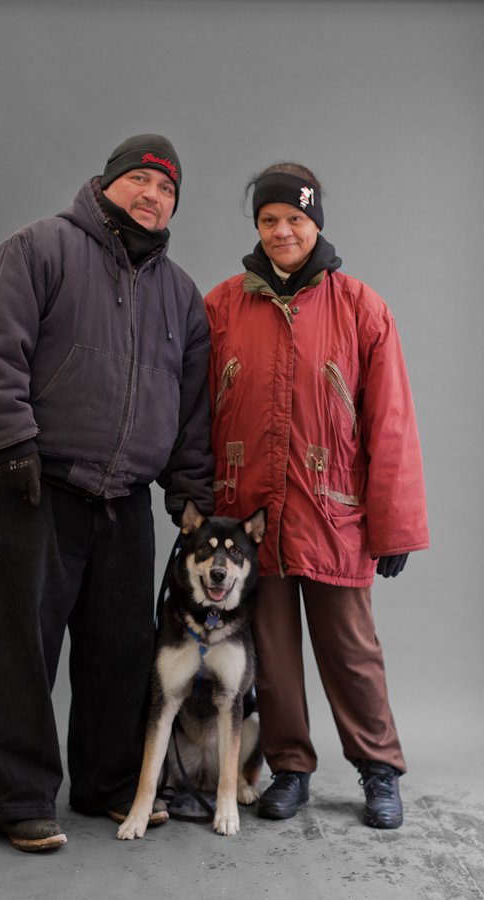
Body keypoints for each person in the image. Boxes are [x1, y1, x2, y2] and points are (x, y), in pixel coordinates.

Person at [0, 134, 214, 852]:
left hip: (127, 498)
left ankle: (108, 784)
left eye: (167, 190)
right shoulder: (39, 249)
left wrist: (190, 495)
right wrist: (10, 441)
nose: (153, 195)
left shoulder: (182, 295)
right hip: (40, 486)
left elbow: (192, 407)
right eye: (141, 180)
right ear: (106, 185)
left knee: (121, 652)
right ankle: (18, 797)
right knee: (22, 649)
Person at [204, 162, 429, 830]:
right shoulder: (222, 306)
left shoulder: (362, 308)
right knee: (269, 657)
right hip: (251, 518)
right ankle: (289, 768)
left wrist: (395, 528)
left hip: (334, 514)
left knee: (353, 653)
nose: (282, 231)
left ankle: (379, 769)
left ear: (316, 224)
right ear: (257, 227)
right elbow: (196, 415)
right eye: (269, 220)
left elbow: (390, 422)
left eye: (295, 219)